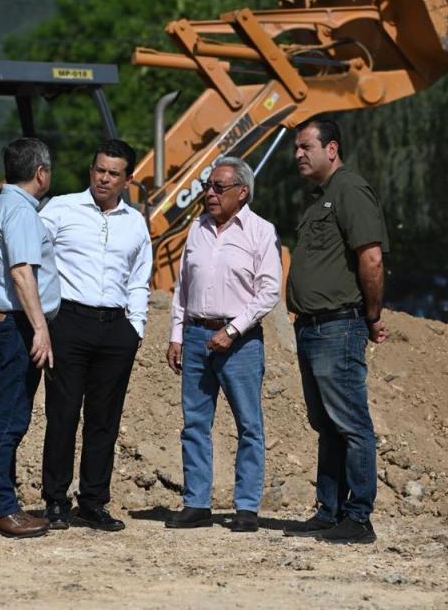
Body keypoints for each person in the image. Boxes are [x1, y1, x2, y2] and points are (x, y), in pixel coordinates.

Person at [283, 117, 388, 545]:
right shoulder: (320, 198)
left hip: (337, 326)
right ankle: (330, 510)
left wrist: (372, 315)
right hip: (311, 327)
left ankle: (358, 517)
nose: (298, 155)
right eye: (296, 148)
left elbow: (371, 258)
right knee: (326, 424)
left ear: (332, 149)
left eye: (306, 146)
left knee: (350, 423)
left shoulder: (350, 190)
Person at [38, 139, 152, 532]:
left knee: (105, 420)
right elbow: (32, 255)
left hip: (116, 328)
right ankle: (55, 501)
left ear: (127, 180)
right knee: (63, 414)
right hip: (69, 322)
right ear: (91, 171)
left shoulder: (135, 223)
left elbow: (139, 278)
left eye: (113, 173)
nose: (104, 178)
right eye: (99, 170)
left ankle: (93, 502)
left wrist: (135, 328)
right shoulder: (60, 209)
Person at [164, 156, 281, 533]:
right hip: (197, 335)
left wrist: (232, 330)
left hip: (240, 342)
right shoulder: (196, 229)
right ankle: (197, 503)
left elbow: (269, 291)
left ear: (242, 192)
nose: (209, 194)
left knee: (249, 424)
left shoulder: (261, 231)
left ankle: (246, 507)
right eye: (207, 186)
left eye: (218, 187)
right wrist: (177, 334)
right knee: (195, 423)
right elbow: (182, 287)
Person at [0, 136, 60, 539]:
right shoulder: (21, 213)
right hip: (15, 326)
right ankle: (0, 508)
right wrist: (40, 328)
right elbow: (21, 272)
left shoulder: (0, 206)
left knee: (10, 415)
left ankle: (3, 503)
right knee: (10, 419)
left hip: (5, 323)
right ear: (41, 173)